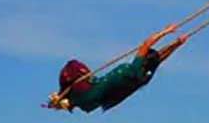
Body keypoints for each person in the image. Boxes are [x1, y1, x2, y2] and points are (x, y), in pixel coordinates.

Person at [46, 24, 192, 113]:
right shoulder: (144, 75)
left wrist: (166, 31)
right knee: (78, 89)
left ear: (145, 59)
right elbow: (159, 58)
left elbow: (146, 44)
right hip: (93, 101)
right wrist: (177, 44)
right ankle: (61, 101)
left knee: (73, 66)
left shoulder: (135, 68)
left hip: (90, 94)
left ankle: (60, 100)